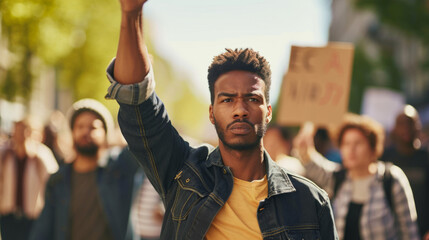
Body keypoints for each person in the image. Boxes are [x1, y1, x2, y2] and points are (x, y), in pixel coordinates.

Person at [105, 0, 338, 239]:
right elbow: (137, 100)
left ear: (268, 111)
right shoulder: (184, 173)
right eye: (227, 100)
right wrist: (131, 13)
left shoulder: (310, 201)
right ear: (211, 113)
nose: (240, 109)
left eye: (252, 99)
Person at [294, 114, 420, 239]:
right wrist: (309, 125)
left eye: (358, 143)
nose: (351, 149)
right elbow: (307, 156)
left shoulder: (391, 179)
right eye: (346, 144)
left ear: (372, 147)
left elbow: (409, 232)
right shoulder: (337, 178)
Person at [30, 99, 140, 240]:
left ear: (105, 133)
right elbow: (43, 228)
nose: (85, 132)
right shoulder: (58, 180)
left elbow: (141, 140)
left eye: (93, 127)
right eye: (80, 126)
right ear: (72, 131)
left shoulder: (120, 169)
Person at [0, 118, 58, 240]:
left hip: (32, 216)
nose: (21, 135)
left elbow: (54, 183)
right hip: (8, 214)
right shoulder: (5, 154)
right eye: (18, 130)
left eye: (25, 131)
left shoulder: (42, 155)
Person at [381, 105, 429, 239]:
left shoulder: (426, 158)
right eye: (401, 124)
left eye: (410, 123)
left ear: (418, 127)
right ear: (394, 129)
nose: (406, 129)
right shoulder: (384, 158)